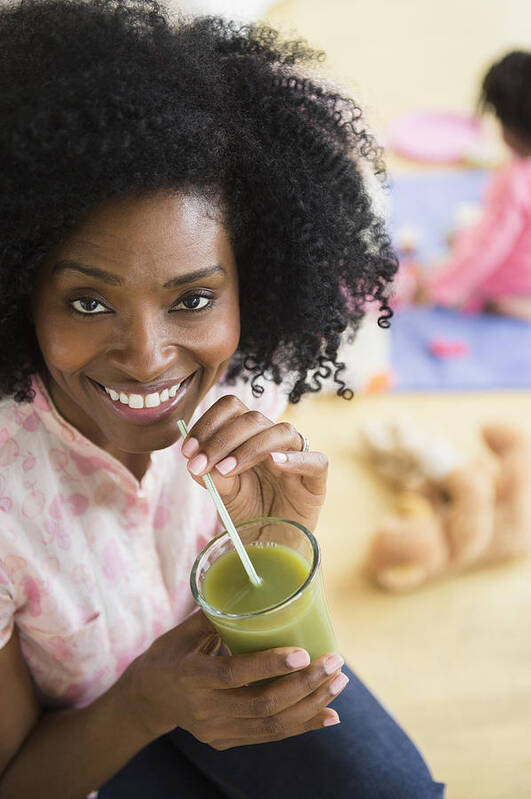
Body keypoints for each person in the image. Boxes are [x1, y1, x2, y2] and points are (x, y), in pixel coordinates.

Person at [0, 1, 444, 797]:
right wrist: (144, 703)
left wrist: (280, 530)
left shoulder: (242, 378)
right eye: (89, 302)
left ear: (250, 281)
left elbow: (266, 609)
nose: (146, 358)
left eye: (193, 299)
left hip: (224, 649)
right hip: (79, 737)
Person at [419, 51, 531, 318]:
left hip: (518, 277)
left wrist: (438, 286)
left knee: (468, 243)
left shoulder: (514, 179)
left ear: (510, 128)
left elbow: (489, 246)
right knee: (466, 231)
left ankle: (504, 301)